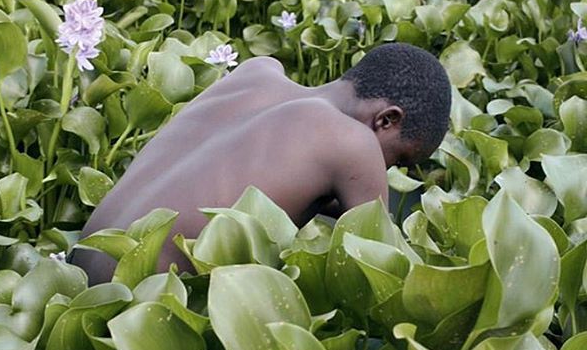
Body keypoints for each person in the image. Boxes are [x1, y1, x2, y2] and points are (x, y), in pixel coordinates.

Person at [71, 42, 451, 283]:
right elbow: (385, 272)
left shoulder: (259, 72)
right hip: (127, 308)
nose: (383, 172)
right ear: (387, 120)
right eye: (396, 159)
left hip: (73, 273)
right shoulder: (355, 142)